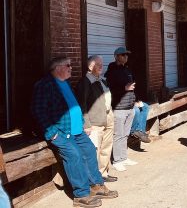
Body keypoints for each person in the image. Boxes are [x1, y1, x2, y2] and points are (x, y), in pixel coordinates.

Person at [31, 56, 117, 207]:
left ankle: (96, 185)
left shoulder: (66, 83)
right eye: (68, 65)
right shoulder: (44, 85)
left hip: (77, 130)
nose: (71, 68)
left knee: (90, 150)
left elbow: (74, 104)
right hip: (61, 132)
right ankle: (81, 195)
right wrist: (52, 133)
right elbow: (38, 111)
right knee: (74, 155)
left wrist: (82, 123)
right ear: (57, 68)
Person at [75, 55, 117, 183]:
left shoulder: (102, 80)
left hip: (108, 117)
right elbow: (82, 105)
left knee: (106, 147)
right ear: (90, 66)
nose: (101, 66)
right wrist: (86, 124)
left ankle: (103, 173)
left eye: (102, 64)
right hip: (94, 121)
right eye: (97, 64)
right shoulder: (85, 82)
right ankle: (94, 178)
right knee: (95, 150)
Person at [105, 47, 139, 172]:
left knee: (125, 134)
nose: (126, 57)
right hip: (119, 108)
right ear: (116, 56)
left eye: (126, 54)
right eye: (123, 55)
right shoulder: (111, 72)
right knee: (118, 135)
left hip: (130, 106)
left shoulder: (127, 70)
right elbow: (110, 90)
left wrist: (136, 100)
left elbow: (133, 87)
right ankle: (117, 160)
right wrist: (124, 89)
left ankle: (124, 157)